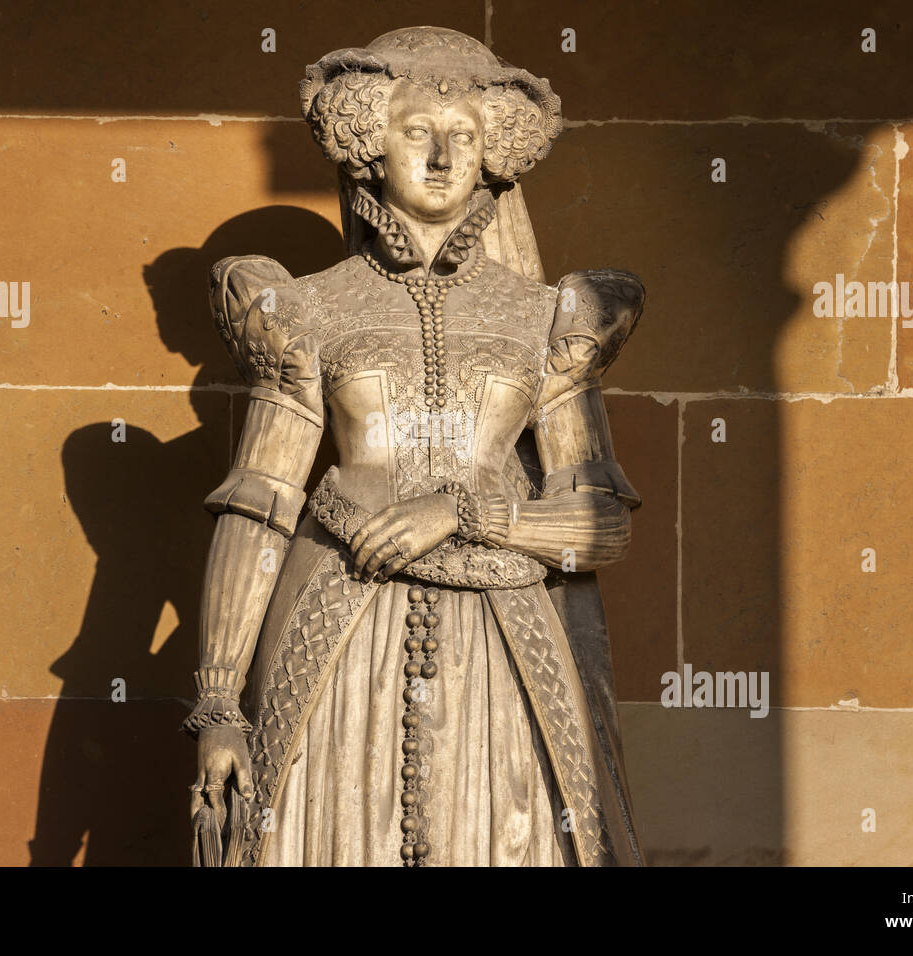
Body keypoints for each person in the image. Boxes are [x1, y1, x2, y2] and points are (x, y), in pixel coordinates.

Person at [186, 26, 645, 866]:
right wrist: (218, 702)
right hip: (337, 621)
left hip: (504, 637)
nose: (440, 158)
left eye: (463, 137)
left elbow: (600, 526)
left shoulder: (547, 317)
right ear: (368, 144)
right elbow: (260, 503)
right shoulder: (307, 311)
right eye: (414, 133)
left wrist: (466, 516)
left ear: (492, 151)